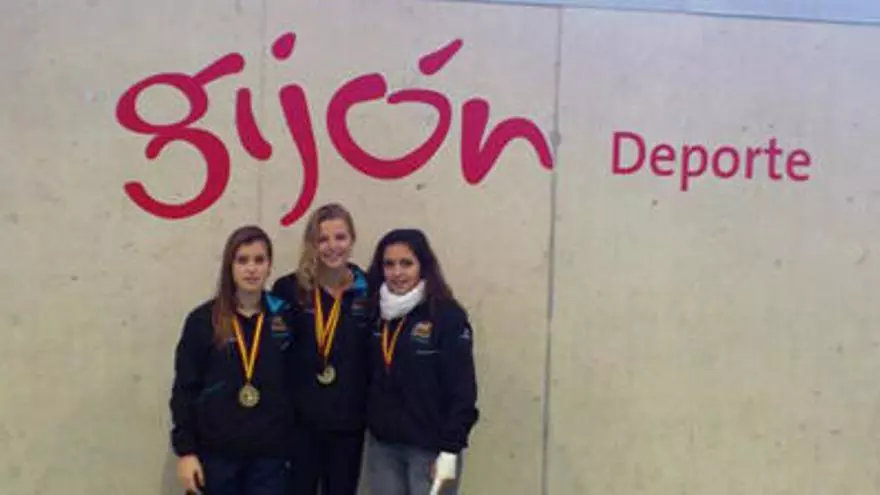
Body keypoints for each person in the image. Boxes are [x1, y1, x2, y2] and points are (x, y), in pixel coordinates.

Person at [169, 225, 294, 495]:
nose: (251, 269)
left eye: (259, 260)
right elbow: (185, 389)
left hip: (270, 460)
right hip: (216, 458)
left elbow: (296, 384)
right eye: (242, 260)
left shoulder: (285, 317)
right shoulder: (203, 320)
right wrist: (186, 452)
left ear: (269, 266)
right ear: (230, 266)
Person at [364, 228, 479, 495]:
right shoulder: (375, 313)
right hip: (383, 447)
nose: (397, 273)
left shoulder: (446, 316)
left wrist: (450, 448)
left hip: (430, 449)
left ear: (423, 266)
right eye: (389, 264)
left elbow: (462, 388)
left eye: (406, 263)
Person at [271, 203, 372, 495]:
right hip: (300, 425)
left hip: (348, 426)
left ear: (352, 240)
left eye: (340, 237)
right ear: (312, 244)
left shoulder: (369, 290)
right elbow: (275, 354)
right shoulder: (289, 290)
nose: (332, 246)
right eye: (322, 239)